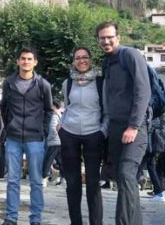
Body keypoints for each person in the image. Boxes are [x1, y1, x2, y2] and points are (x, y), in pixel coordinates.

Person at [97, 21, 150, 225]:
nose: (106, 41)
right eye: (102, 38)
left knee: (127, 175)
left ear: (118, 37)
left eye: (110, 37)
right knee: (122, 179)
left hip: (134, 128)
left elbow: (143, 91)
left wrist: (134, 126)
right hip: (116, 127)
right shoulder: (107, 62)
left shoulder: (130, 55)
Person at [0, 47, 53, 225]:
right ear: (18, 61)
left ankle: (35, 218)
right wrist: (8, 127)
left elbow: (48, 110)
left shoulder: (42, 84)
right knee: (12, 180)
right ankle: (11, 217)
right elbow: (4, 108)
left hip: (35, 138)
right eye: (23, 58)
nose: (26, 62)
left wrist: (43, 130)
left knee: (36, 181)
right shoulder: (8, 83)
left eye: (29, 59)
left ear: (35, 62)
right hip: (13, 137)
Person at [59, 46, 107, 225]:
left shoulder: (101, 82)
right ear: (73, 61)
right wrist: (61, 126)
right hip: (69, 134)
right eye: (77, 57)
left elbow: (107, 110)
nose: (81, 60)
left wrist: (103, 131)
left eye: (85, 57)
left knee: (93, 184)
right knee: (72, 183)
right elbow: (66, 106)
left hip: (93, 133)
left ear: (90, 59)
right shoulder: (67, 83)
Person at [42, 100, 64, 187]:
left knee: (48, 160)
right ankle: (63, 178)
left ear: (54, 107)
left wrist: (49, 138)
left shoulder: (54, 115)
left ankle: (44, 178)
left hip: (53, 142)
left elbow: (53, 129)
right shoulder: (61, 115)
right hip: (59, 141)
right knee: (61, 161)